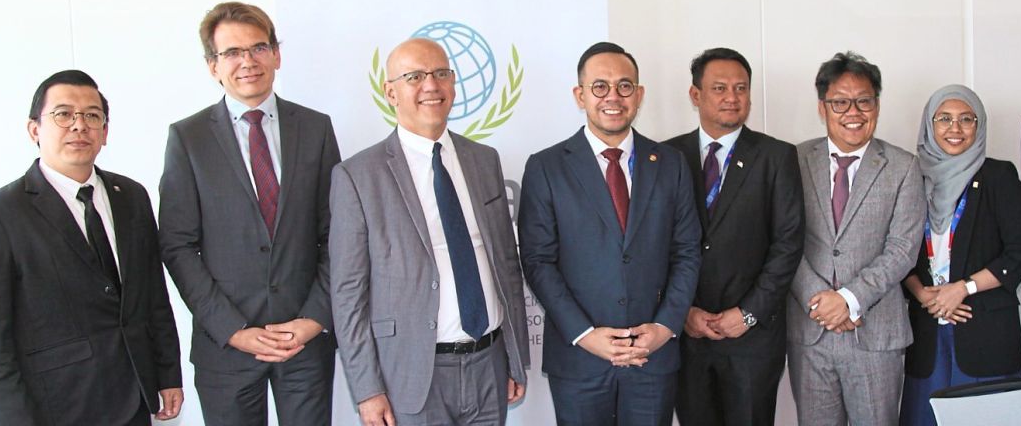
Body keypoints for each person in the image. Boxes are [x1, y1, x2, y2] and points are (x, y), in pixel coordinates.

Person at [0, 70, 183, 425]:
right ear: (35, 129)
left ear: (105, 132)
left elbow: (153, 294)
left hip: (135, 397)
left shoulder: (132, 197)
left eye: (92, 116)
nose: (79, 125)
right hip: (53, 406)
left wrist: (168, 373)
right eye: (63, 114)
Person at [329, 38, 530, 426]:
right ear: (390, 92)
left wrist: (516, 357)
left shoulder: (484, 160)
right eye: (414, 77)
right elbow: (348, 294)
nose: (431, 86)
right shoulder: (357, 176)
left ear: (453, 83)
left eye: (441, 74)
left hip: (489, 364)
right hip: (411, 374)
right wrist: (367, 389)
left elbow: (507, 264)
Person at [159, 1, 341, 425]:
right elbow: (178, 245)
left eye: (258, 48)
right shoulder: (188, 139)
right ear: (213, 66)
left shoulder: (315, 129)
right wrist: (233, 330)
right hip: (226, 346)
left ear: (276, 54)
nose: (248, 62)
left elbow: (337, 234)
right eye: (232, 53)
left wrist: (314, 318)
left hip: (304, 343)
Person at [519, 42, 701, 425]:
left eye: (624, 86)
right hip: (579, 360)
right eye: (600, 86)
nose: (613, 97)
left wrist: (665, 327)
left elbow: (687, 252)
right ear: (580, 95)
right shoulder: (546, 167)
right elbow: (538, 261)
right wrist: (585, 334)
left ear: (639, 95)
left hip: (652, 356)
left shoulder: (671, 164)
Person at [663, 47, 803, 426]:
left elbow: (788, 243)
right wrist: (683, 310)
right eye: (720, 87)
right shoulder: (666, 157)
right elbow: (654, 245)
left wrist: (749, 313)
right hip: (687, 335)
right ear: (696, 95)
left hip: (752, 339)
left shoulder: (777, 156)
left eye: (741, 88)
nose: (732, 97)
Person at [788, 51, 924, 426]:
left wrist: (849, 300)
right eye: (840, 102)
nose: (853, 111)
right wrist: (822, 303)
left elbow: (902, 250)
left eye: (864, 101)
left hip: (876, 334)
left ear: (876, 105)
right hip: (810, 330)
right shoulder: (794, 160)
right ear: (822, 107)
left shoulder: (903, 166)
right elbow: (784, 242)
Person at [898, 85, 1021, 426]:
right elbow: (897, 252)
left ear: (979, 126)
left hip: (984, 331)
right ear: (930, 125)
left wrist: (963, 288)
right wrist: (921, 293)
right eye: (944, 119)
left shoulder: (998, 176)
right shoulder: (911, 178)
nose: (955, 129)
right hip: (928, 334)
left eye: (966, 119)